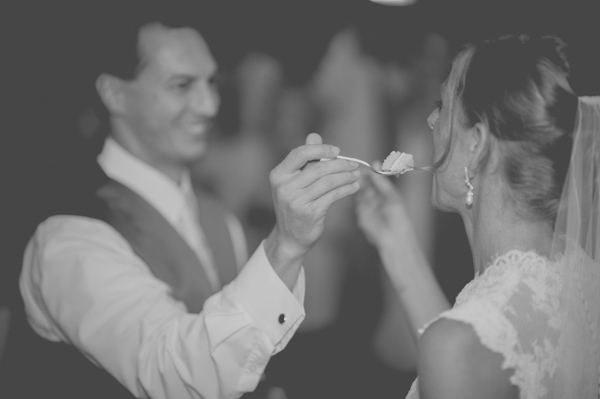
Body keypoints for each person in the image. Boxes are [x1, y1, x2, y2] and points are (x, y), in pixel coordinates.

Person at [9, 7, 361, 399]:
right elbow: (168, 374)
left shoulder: (219, 218)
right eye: (181, 85)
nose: (210, 105)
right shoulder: (70, 239)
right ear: (114, 94)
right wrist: (286, 245)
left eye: (212, 83)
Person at [356, 34, 600, 398]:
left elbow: (457, 351)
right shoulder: (580, 276)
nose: (430, 120)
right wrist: (396, 242)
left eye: (443, 104)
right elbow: (474, 345)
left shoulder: (458, 345)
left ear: (476, 145)